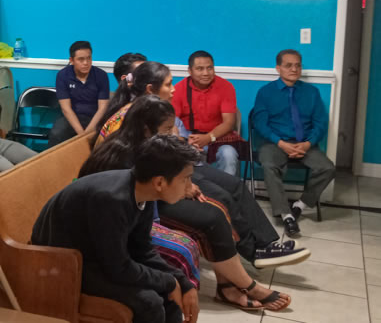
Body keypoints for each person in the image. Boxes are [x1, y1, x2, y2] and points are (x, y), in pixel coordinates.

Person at [82, 95, 300, 312]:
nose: (172, 134)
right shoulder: (126, 153)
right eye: (167, 129)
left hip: (148, 201)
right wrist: (181, 187)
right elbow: (140, 194)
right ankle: (245, 286)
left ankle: (228, 285)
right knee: (211, 217)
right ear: (147, 129)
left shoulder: (145, 142)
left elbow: (160, 179)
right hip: (135, 208)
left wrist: (184, 184)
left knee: (217, 206)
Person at [33, 135, 202, 323]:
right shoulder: (112, 200)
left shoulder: (143, 192)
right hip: (59, 261)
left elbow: (142, 250)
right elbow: (118, 268)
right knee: (150, 303)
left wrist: (183, 282)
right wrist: (169, 281)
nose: (189, 186)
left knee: (168, 294)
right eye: (186, 179)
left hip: (93, 255)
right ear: (159, 183)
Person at [253, 49, 336, 238]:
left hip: (304, 143)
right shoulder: (265, 92)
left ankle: (300, 204)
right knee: (269, 165)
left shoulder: (311, 93)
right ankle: (286, 215)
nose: (294, 69)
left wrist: (308, 144)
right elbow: (260, 124)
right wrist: (281, 143)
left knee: (328, 168)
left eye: (298, 65)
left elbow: (320, 123)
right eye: (288, 65)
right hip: (275, 143)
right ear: (278, 68)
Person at [171, 51, 242, 176]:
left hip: (218, 138)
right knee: (182, 155)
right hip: (189, 139)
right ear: (190, 71)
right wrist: (184, 141)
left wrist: (209, 137)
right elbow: (172, 122)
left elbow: (229, 122)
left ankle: (227, 188)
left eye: (209, 68)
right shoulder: (179, 89)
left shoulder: (226, 87)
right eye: (200, 69)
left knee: (229, 154)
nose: (206, 73)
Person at [48, 41, 110, 147]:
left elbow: (102, 108)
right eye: (81, 59)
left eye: (89, 58)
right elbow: (66, 109)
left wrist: (87, 133)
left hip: (95, 117)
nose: (86, 63)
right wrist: (82, 135)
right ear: (71, 60)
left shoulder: (101, 75)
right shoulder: (63, 75)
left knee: (107, 136)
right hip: (72, 117)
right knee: (56, 133)